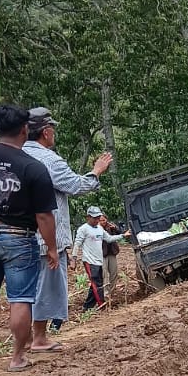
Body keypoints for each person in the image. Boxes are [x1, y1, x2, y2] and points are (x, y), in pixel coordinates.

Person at [0, 104, 58, 373]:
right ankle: (17, 358)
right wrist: (52, 248)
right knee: (20, 299)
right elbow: (44, 216)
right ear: (24, 130)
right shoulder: (33, 167)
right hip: (19, 239)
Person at [23, 106, 112, 350]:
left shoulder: (16, 155)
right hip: (46, 237)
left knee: (24, 289)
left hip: (19, 237)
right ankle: (39, 337)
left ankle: (24, 342)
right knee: (47, 286)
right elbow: (75, 185)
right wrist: (96, 172)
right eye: (52, 130)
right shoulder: (48, 160)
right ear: (46, 132)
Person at [72, 206, 127, 311]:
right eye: (95, 218)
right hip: (89, 261)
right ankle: (102, 305)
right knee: (97, 284)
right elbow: (77, 243)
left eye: (98, 217)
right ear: (88, 217)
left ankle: (87, 307)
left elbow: (109, 238)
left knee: (96, 284)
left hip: (99, 260)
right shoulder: (83, 229)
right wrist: (73, 258)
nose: (97, 220)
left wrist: (123, 236)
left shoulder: (99, 229)